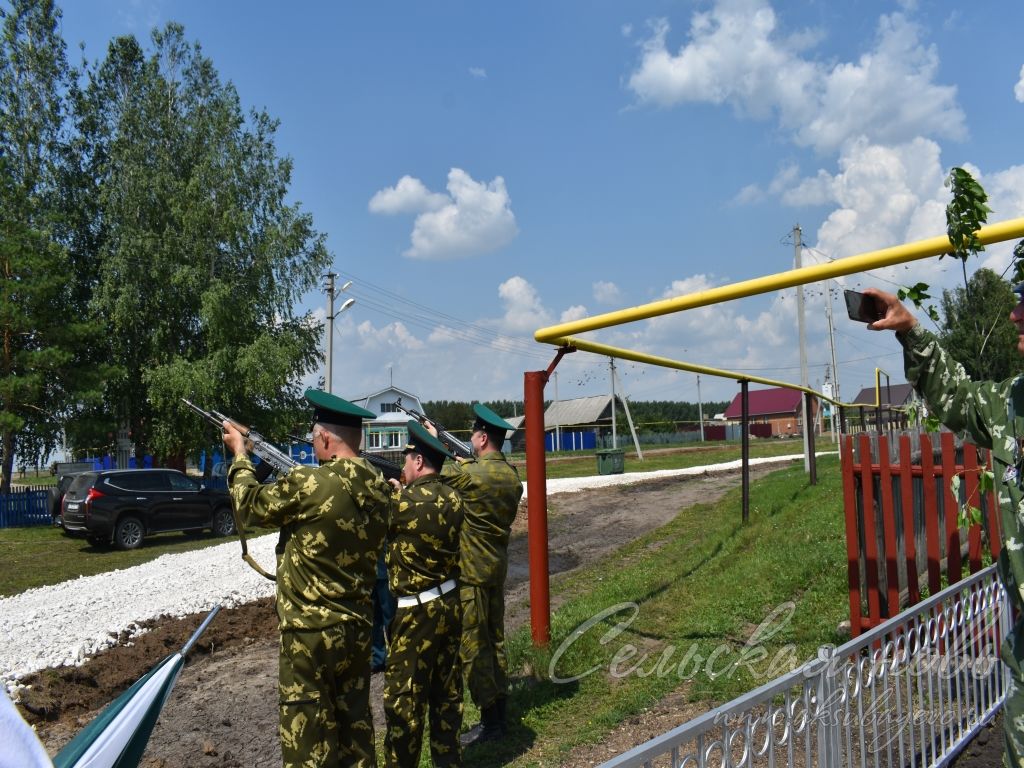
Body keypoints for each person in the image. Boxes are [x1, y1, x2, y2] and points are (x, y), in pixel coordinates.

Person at [864, 284, 1024, 765]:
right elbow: (955, 395)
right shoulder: (1012, 403)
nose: (1014, 316)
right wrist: (911, 331)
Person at [222, 389, 390, 768]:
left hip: (309, 636)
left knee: (308, 744)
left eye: (314, 438)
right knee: (356, 735)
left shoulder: (311, 484)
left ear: (327, 438)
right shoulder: (379, 488)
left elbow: (247, 507)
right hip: (358, 628)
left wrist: (240, 454)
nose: (313, 445)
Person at [431, 404, 523, 746]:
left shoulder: (471, 475)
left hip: (471, 573)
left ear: (483, 438)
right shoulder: (512, 477)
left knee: (473, 647)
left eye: (473, 435)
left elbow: (435, 471)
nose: (470, 440)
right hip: (496, 569)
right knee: (495, 641)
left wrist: (433, 439)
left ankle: (490, 722)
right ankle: (500, 710)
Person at [382, 420, 464, 767]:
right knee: (447, 695)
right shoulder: (453, 497)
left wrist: (393, 493)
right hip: (449, 602)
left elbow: (381, 523)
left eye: (406, 460)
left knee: (404, 702)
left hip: (416, 614)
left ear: (417, 461)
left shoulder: (404, 504)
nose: (402, 466)